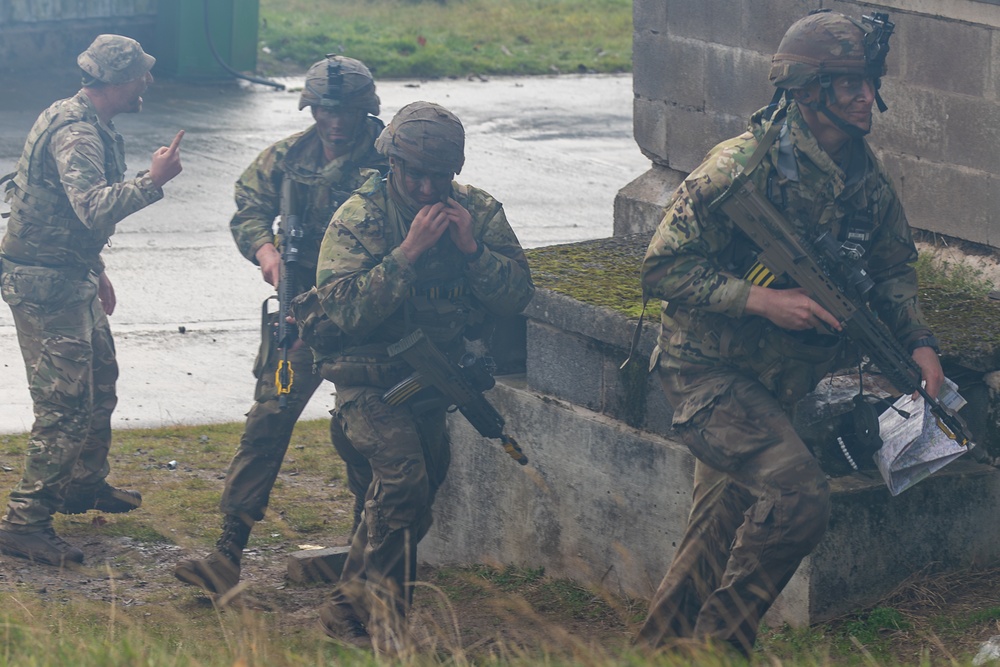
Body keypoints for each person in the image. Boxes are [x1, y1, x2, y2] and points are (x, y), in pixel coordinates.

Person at [634, 10, 944, 656]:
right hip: (706, 373)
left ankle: (656, 651)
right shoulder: (742, 168)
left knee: (714, 531)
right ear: (808, 92)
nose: (867, 97)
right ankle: (723, 644)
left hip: (773, 382)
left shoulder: (865, 180)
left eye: (868, 83)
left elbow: (892, 271)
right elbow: (662, 265)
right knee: (801, 496)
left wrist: (919, 345)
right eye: (850, 84)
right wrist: (760, 300)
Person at [311, 101, 534, 649]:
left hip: (435, 377)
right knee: (404, 486)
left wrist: (472, 251)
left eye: (440, 177)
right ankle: (350, 612)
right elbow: (343, 309)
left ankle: (379, 619)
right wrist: (406, 254)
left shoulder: (476, 213)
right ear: (392, 165)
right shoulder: (361, 216)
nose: (428, 189)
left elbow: (517, 295)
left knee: (415, 500)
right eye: (415, 175)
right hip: (368, 378)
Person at [173, 55, 383, 596]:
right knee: (268, 419)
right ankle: (228, 551)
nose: (335, 121)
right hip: (301, 312)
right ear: (312, 108)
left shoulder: (390, 157)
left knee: (365, 431)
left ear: (367, 109)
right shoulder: (289, 158)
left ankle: (369, 543)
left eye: (346, 110)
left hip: (369, 315)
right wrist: (265, 251)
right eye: (325, 109)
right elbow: (247, 205)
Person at [0, 34, 184, 566]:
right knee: (63, 408)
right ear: (119, 81)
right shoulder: (78, 133)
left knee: (101, 380)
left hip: (69, 274)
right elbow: (91, 207)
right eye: (142, 74)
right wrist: (153, 181)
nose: (149, 80)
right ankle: (25, 522)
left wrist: (96, 268)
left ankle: (83, 485)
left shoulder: (82, 117)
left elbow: (56, 210)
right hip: (45, 286)